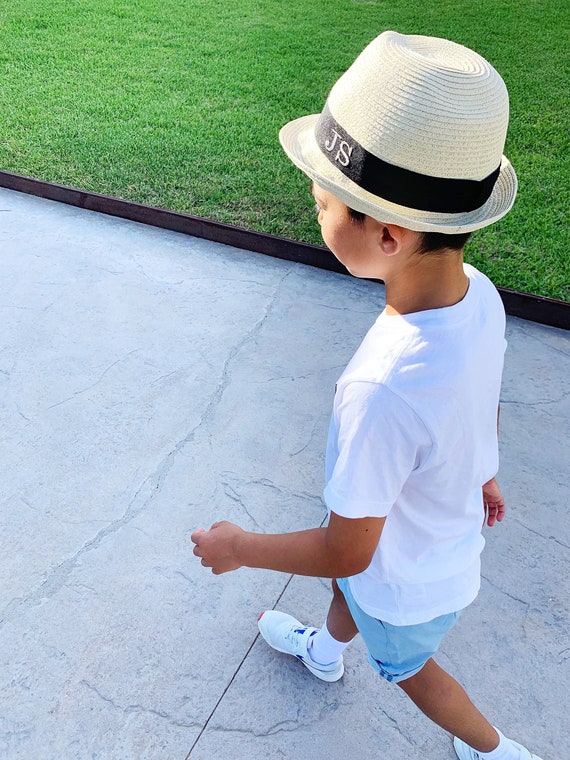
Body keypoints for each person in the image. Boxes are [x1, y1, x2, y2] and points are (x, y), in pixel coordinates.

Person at [191, 31, 543, 760]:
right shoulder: (479, 297)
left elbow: (348, 550)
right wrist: (481, 467)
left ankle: (493, 749)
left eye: (323, 202)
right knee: (347, 601)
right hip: (424, 539)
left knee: (408, 668)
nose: (314, 213)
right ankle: (325, 651)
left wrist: (240, 548)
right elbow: (482, 399)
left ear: (387, 235)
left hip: (403, 581)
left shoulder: (381, 387)